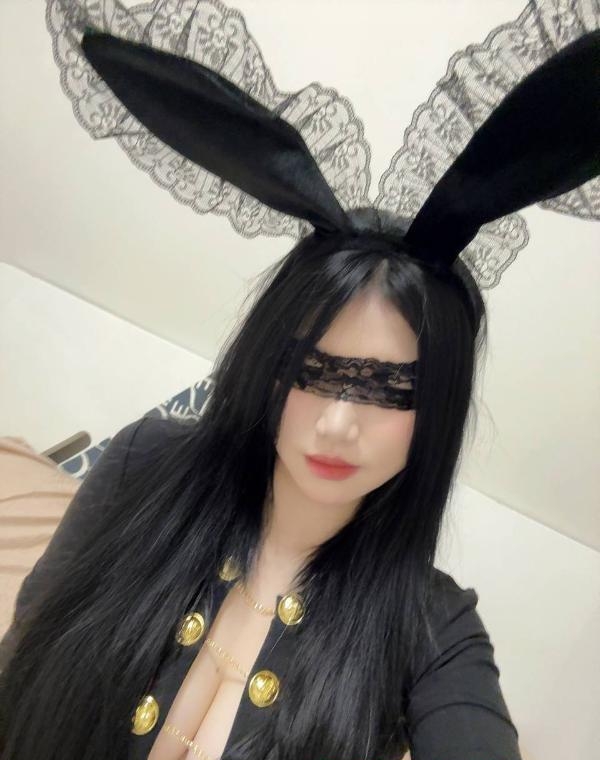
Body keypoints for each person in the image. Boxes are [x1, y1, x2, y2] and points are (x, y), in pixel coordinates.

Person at [1, 1, 598, 759]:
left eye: (391, 390)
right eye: (314, 372)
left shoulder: (434, 631)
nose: (339, 422)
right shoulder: (142, 466)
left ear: (439, 410)